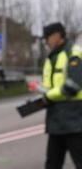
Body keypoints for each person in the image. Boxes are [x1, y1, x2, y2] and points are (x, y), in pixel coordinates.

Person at [40, 22, 82, 168]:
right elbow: (53, 85)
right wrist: (41, 95)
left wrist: (48, 97)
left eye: (48, 38)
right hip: (57, 120)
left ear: (58, 36)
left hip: (75, 120)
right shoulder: (53, 56)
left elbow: (73, 85)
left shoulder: (73, 53)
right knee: (52, 164)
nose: (46, 42)